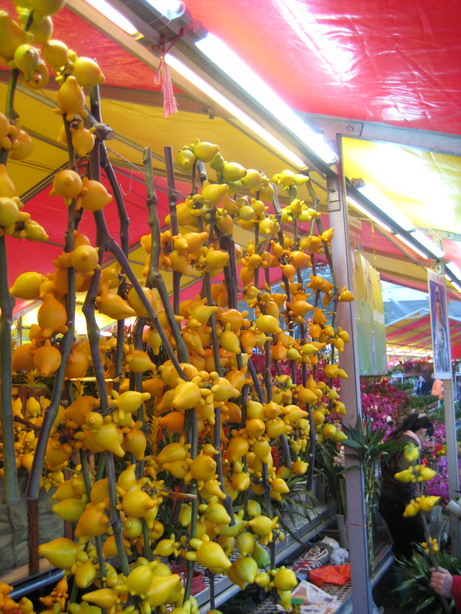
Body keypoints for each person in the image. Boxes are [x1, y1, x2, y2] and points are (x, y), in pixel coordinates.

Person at [379, 413, 434, 559]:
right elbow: (405, 475)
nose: (427, 442)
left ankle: (403, 570)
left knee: (401, 545)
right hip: (399, 503)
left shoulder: (396, 439)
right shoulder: (409, 445)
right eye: (428, 437)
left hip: (388, 500)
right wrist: (411, 501)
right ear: (423, 431)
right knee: (417, 545)